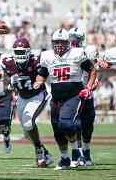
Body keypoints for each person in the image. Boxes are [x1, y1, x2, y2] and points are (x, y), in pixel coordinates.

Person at [35, 29, 97, 170]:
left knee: (66, 124)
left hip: (73, 95)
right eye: (56, 42)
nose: (59, 45)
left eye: (62, 42)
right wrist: (38, 81)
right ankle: (64, 159)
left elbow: (92, 70)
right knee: (57, 130)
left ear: (68, 42)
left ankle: (76, 151)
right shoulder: (47, 56)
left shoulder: (77, 53)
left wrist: (88, 87)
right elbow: (42, 73)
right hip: (56, 98)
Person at [2, 38, 54, 167]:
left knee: (28, 122)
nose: (20, 56)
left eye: (22, 52)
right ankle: (44, 152)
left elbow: (44, 71)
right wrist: (9, 86)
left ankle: (38, 151)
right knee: (26, 132)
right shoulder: (7, 63)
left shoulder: (36, 60)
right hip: (22, 98)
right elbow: (6, 80)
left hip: (37, 95)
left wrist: (38, 80)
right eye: (17, 53)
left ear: (28, 52)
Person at [68, 27, 98, 167]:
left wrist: (93, 84)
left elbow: (94, 70)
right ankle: (79, 153)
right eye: (72, 38)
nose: (73, 41)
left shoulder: (89, 51)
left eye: (76, 38)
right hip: (73, 94)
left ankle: (86, 151)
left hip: (87, 93)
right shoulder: (67, 53)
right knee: (75, 125)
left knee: (87, 126)